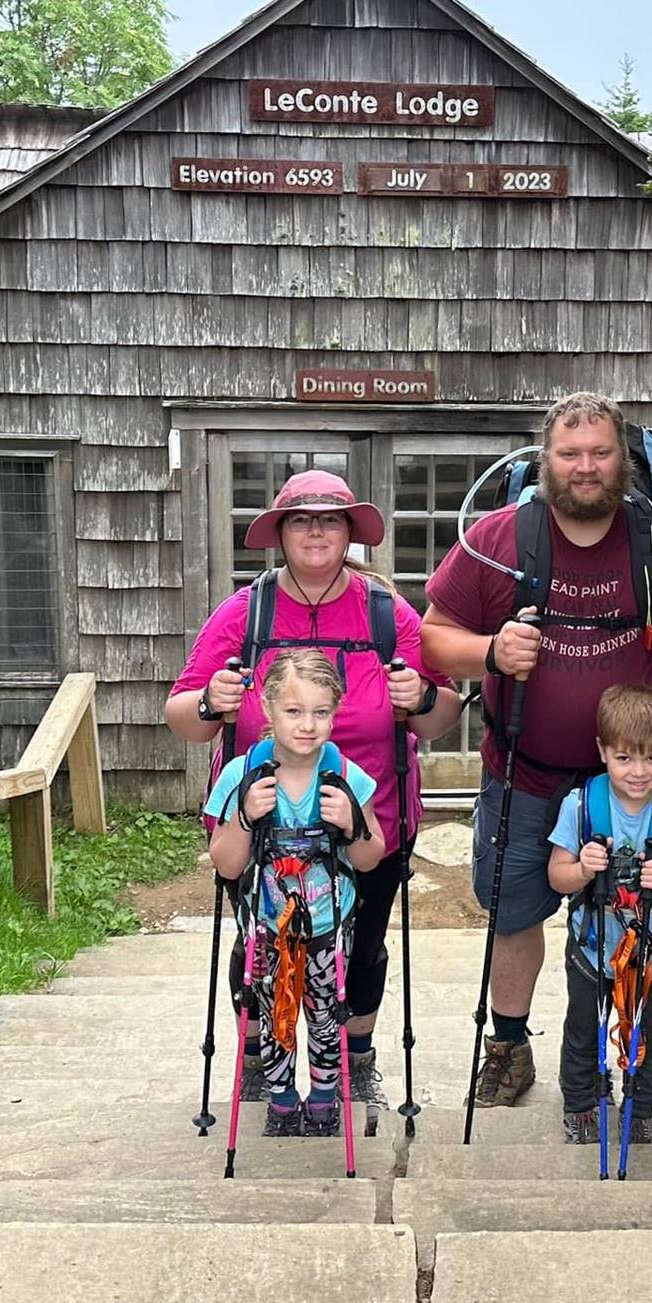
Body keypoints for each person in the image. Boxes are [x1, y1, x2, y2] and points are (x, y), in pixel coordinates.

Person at [421, 391, 652, 1107]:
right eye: (569, 454)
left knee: (634, 911)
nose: (584, 467)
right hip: (525, 775)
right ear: (545, 459)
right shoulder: (499, 538)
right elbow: (433, 636)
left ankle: (622, 1052)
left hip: (632, 783)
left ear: (622, 460)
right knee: (514, 914)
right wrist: (489, 650)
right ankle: (508, 1048)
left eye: (599, 453)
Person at [167, 469, 462, 1112]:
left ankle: (354, 1060)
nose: (317, 531)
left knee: (362, 946)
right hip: (263, 822)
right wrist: (212, 701)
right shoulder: (245, 613)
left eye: (331, 518)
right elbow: (183, 716)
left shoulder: (388, 612)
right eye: (302, 519)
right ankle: (256, 1056)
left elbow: (442, 715)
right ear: (280, 533)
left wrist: (426, 697)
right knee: (261, 945)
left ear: (352, 531)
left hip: (368, 819)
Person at [204, 649, 387, 1134]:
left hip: (329, 926)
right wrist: (245, 816)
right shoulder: (243, 775)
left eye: (321, 712)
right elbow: (226, 862)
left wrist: (352, 826)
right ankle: (282, 1100)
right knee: (274, 1013)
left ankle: (326, 1098)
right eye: (293, 711)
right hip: (268, 926)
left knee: (327, 1015)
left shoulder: (346, 778)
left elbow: (372, 856)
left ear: (335, 711)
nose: (307, 725)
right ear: (266, 708)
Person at [547, 684, 652, 1143]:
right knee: (584, 1028)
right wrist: (582, 868)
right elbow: (557, 876)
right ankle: (582, 1104)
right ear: (602, 751)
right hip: (591, 948)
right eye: (625, 759)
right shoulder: (580, 807)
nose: (639, 772)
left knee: (646, 1035)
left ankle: (639, 1109)